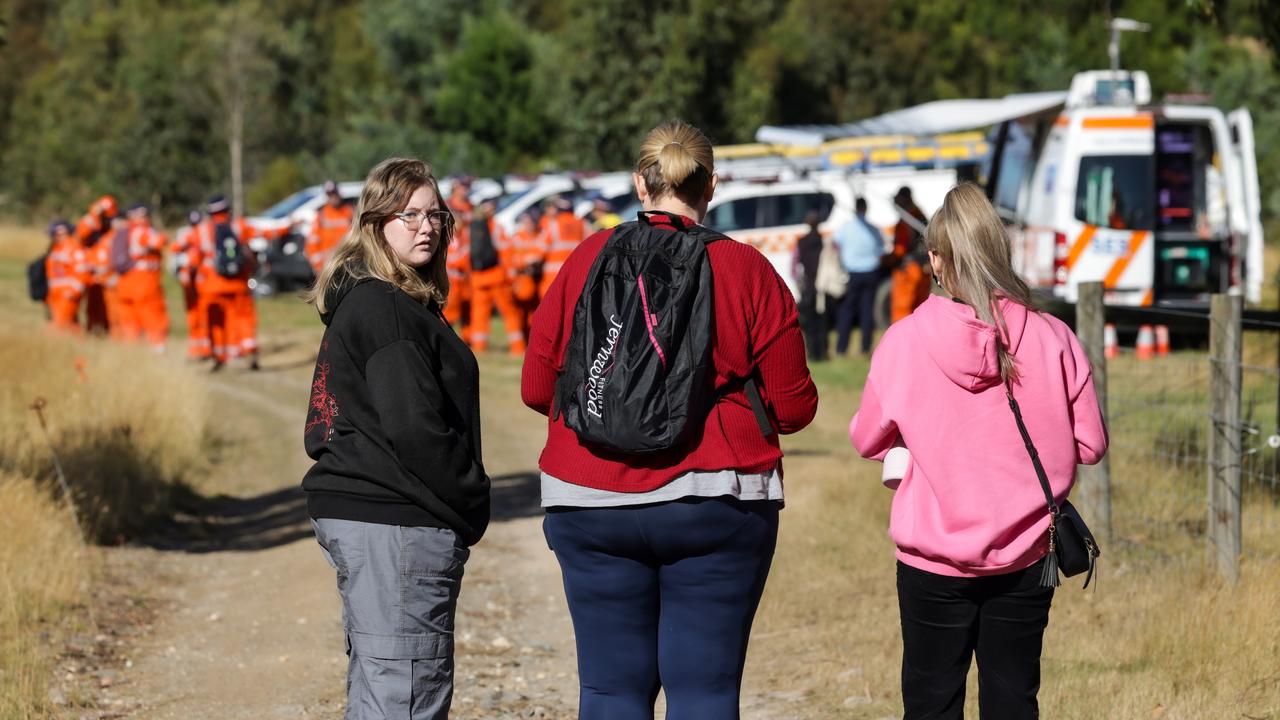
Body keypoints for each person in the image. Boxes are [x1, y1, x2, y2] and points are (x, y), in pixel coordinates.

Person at [522, 119, 818, 719]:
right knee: (703, 694)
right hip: (716, 500)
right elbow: (792, 410)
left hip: (588, 497)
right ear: (711, 183)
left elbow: (536, 388)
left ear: (640, 183)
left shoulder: (585, 258)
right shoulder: (748, 270)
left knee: (609, 692)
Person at [849, 183, 1108, 719]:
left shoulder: (904, 340)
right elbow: (1090, 443)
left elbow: (866, 438)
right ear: (998, 250)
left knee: (931, 700)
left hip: (931, 558)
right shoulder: (1053, 335)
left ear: (938, 261)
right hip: (1028, 552)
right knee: (1014, 699)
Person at [302, 157, 490, 720]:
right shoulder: (384, 307)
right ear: (375, 222)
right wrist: (472, 495)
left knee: (383, 685)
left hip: (379, 520)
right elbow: (415, 427)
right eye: (408, 215)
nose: (426, 227)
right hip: (395, 522)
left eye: (435, 214)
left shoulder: (385, 300)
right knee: (403, 693)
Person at [191, 195, 285, 370]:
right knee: (244, 318)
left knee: (218, 322)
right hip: (238, 284)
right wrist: (289, 226)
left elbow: (193, 259)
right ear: (228, 210)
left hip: (212, 286)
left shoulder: (201, 231)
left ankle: (220, 356)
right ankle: (249, 350)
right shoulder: (240, 226)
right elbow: (265, 233)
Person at [466, 198, 526, 355]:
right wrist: (511, 276)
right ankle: (518, 346)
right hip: (496, 277)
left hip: (478, 278)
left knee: (479, 314)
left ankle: (478, 346)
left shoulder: (470, 227)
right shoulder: (496, 227)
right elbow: (506, 252)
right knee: (509, 313)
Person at [114, 203, 170, 352]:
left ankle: (133, 352)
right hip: (143, 282)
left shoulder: (124, 232)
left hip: (125, 282)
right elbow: (158, 242)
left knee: (130, 321)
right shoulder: (142, 231)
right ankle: (157, 350)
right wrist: (164, 236)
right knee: (153, 315)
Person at [835, 197, 885, 356]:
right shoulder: (873, 229)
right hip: (871, 271)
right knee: (867, 310)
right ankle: (865, 347)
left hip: (852, 273)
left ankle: (842, 348)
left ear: (855, 208)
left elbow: (835, 244)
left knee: (847, 310)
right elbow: (881, 248)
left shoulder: (846, 228)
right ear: (866, 208)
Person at [171, 211, 210, 359]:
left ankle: (206, 346)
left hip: (204, 279)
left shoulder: (206, 233)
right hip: (190, 280)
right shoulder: (185, 235)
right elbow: (174, 250)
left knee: (205, 312)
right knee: (193, 313)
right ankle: (196, 347)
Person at [792, 209, 830, 361]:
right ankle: (823, 351)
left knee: (809, 322)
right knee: (823, 320)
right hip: (823, 285)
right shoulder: (824, 241)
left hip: (808, 285)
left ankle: (813, 353)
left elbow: (794, 267)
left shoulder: (801, 242)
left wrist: (798, 283)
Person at [889, 187, 931, 323]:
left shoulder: (907, 219)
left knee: (902, 313)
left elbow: (899, 250)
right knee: (920, 312)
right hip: (924, 269)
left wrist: (887, 260)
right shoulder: (919, 215)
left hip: (909, 272)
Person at [537, 195, 587, 299]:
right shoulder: (582, 223)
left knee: (550, 302)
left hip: (554, 272)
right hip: (576, 270)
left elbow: (541, 248)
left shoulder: (553, 223)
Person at [444, 178, 474, 343]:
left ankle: (469, 341)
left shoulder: (470, 207)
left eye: (467, 186)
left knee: (468, 307)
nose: (465, 190)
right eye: (463, 186)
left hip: (466, 268)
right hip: (451, 269)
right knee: (451, 309)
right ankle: (445, 338)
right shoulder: (446, 204)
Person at [44, 220, 87, 335]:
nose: (59, 237)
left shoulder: (74, 247)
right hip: (55, 293)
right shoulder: (55, 249)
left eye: (62, 234)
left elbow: (82, 271)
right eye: (56, 234)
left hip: (67, 293)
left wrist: (73, 291)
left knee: (58, 325)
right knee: (71, 324)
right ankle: (80, 347)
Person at [305, 180, 354, 276]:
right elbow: (312, 242)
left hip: (349, 263)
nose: (333, 197)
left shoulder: (350, 211)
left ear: (339, 193)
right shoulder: (322, 215)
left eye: (334, 193)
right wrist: (318, 266)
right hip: (328, 266)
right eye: (330, 195)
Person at [507, 211, 543, 338]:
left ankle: (530, 339)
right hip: (521, 279)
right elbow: (511, 259)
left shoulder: (539, 235)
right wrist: (526, 260)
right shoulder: (518, 237)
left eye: (532, 222)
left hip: (536, 278)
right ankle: (522, 340)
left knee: (534, 312)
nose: (529, 225)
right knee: (520, 311)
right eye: (527, 222)